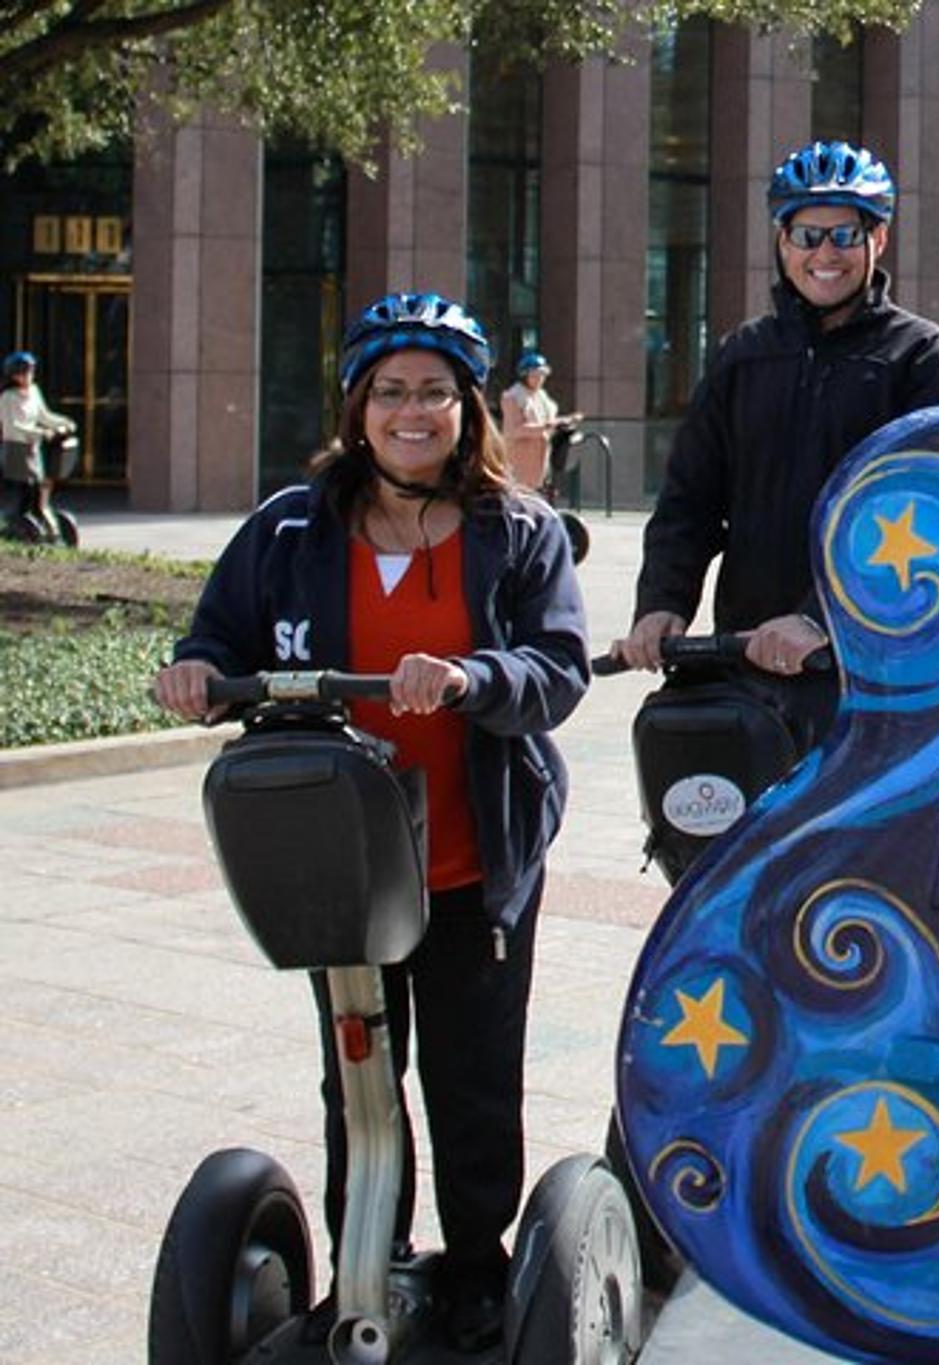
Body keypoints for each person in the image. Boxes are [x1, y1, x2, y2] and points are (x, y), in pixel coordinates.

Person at [153, 292, 590, 1354]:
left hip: (469, 856)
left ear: (466, 408)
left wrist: (473, 674)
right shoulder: (292, 526)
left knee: (471, 1080)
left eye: (434, 392)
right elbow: (218, 630)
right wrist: (199, 671)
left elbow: (560, 668)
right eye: (389, 391)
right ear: (357, 407)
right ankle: (372, 1262)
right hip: (341, 860)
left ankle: (481, 1275)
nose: (411, 411)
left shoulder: (515, 531)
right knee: (356, 1075)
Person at [612, 139, 939, 746]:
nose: (823, 254)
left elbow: (932, 509)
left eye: (843, 236)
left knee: (859, 842)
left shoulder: (920, 355)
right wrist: (661, 601)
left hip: (875, 671)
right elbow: (690, 499)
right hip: (750, 664)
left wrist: (818, 618)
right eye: (806, 235)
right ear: (781, 242)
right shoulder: (743, 355)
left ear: (876, 240)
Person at [0, 351, 75, 533]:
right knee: (27, 490)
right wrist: (41, 433)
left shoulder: (34, 391)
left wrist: (64, 422)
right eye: (23, 372)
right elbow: (12, 427)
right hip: (16, 449)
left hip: (33, 448)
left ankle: (40, 521)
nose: (27, 376)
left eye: (30, 371)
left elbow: (44, 416)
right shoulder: (7, 398)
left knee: (41, 488)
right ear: (13, 375)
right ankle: (18, 526)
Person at [500, 349, 576, 493]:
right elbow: (513, 430)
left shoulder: (542, 396)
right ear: (524, 375)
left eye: (542, 375)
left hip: (540, 463)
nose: (539, 379)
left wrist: (565, 421)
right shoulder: (513, 396)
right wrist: (546, 426)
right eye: (535, 375)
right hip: (519, 463)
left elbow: (550, 421)